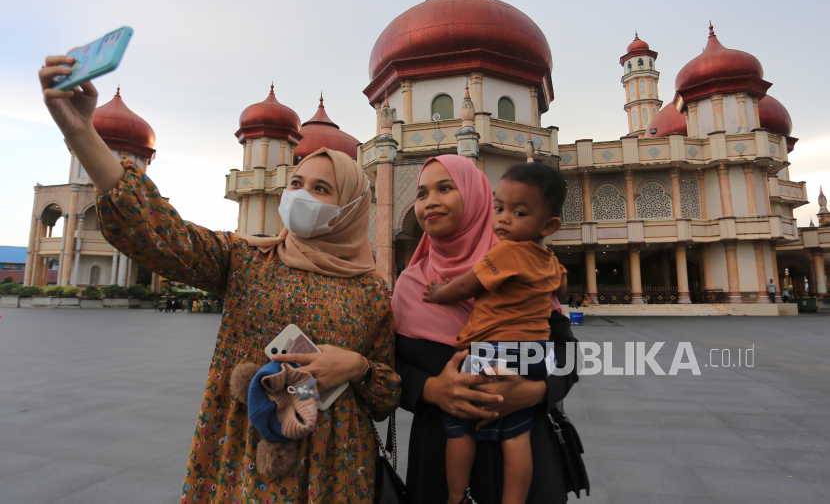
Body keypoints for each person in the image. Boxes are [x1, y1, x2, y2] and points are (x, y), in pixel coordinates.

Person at [38, 60, 400, 503]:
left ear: (350, 208)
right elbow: (154, 230)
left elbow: (385, 395)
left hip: (338, 466)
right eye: (296, 182)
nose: (300, 195)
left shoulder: (370, 292)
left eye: (321, 189)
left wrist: (357, 367)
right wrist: (81, 132)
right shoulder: (246, 259)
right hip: (246, 457)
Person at [392, 155, 579, 504]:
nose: (430, 201)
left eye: (445, 188)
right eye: (421, 193)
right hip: (439, 457)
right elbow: (388, 366)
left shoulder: (523, 270)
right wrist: (432, 389)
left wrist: (537, 391)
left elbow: (567, 356)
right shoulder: (410, 285)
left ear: (478, 198)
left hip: (525, 460)